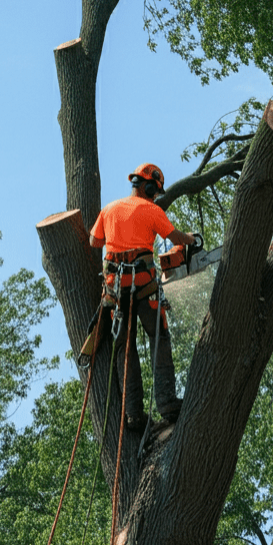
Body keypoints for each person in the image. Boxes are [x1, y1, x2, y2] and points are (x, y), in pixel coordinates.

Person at [89, 163, 196, 430]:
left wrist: (117, 236)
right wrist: (191, 240)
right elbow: (174, 237)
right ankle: (167, 402)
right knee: (159, 338)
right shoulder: (152, 210)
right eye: (155, 191)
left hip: (115, 291)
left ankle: (133, 414)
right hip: (145, 286)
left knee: (126, 349)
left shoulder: (109, 209)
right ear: (148, 187)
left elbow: (94, 241)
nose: (155, 196)